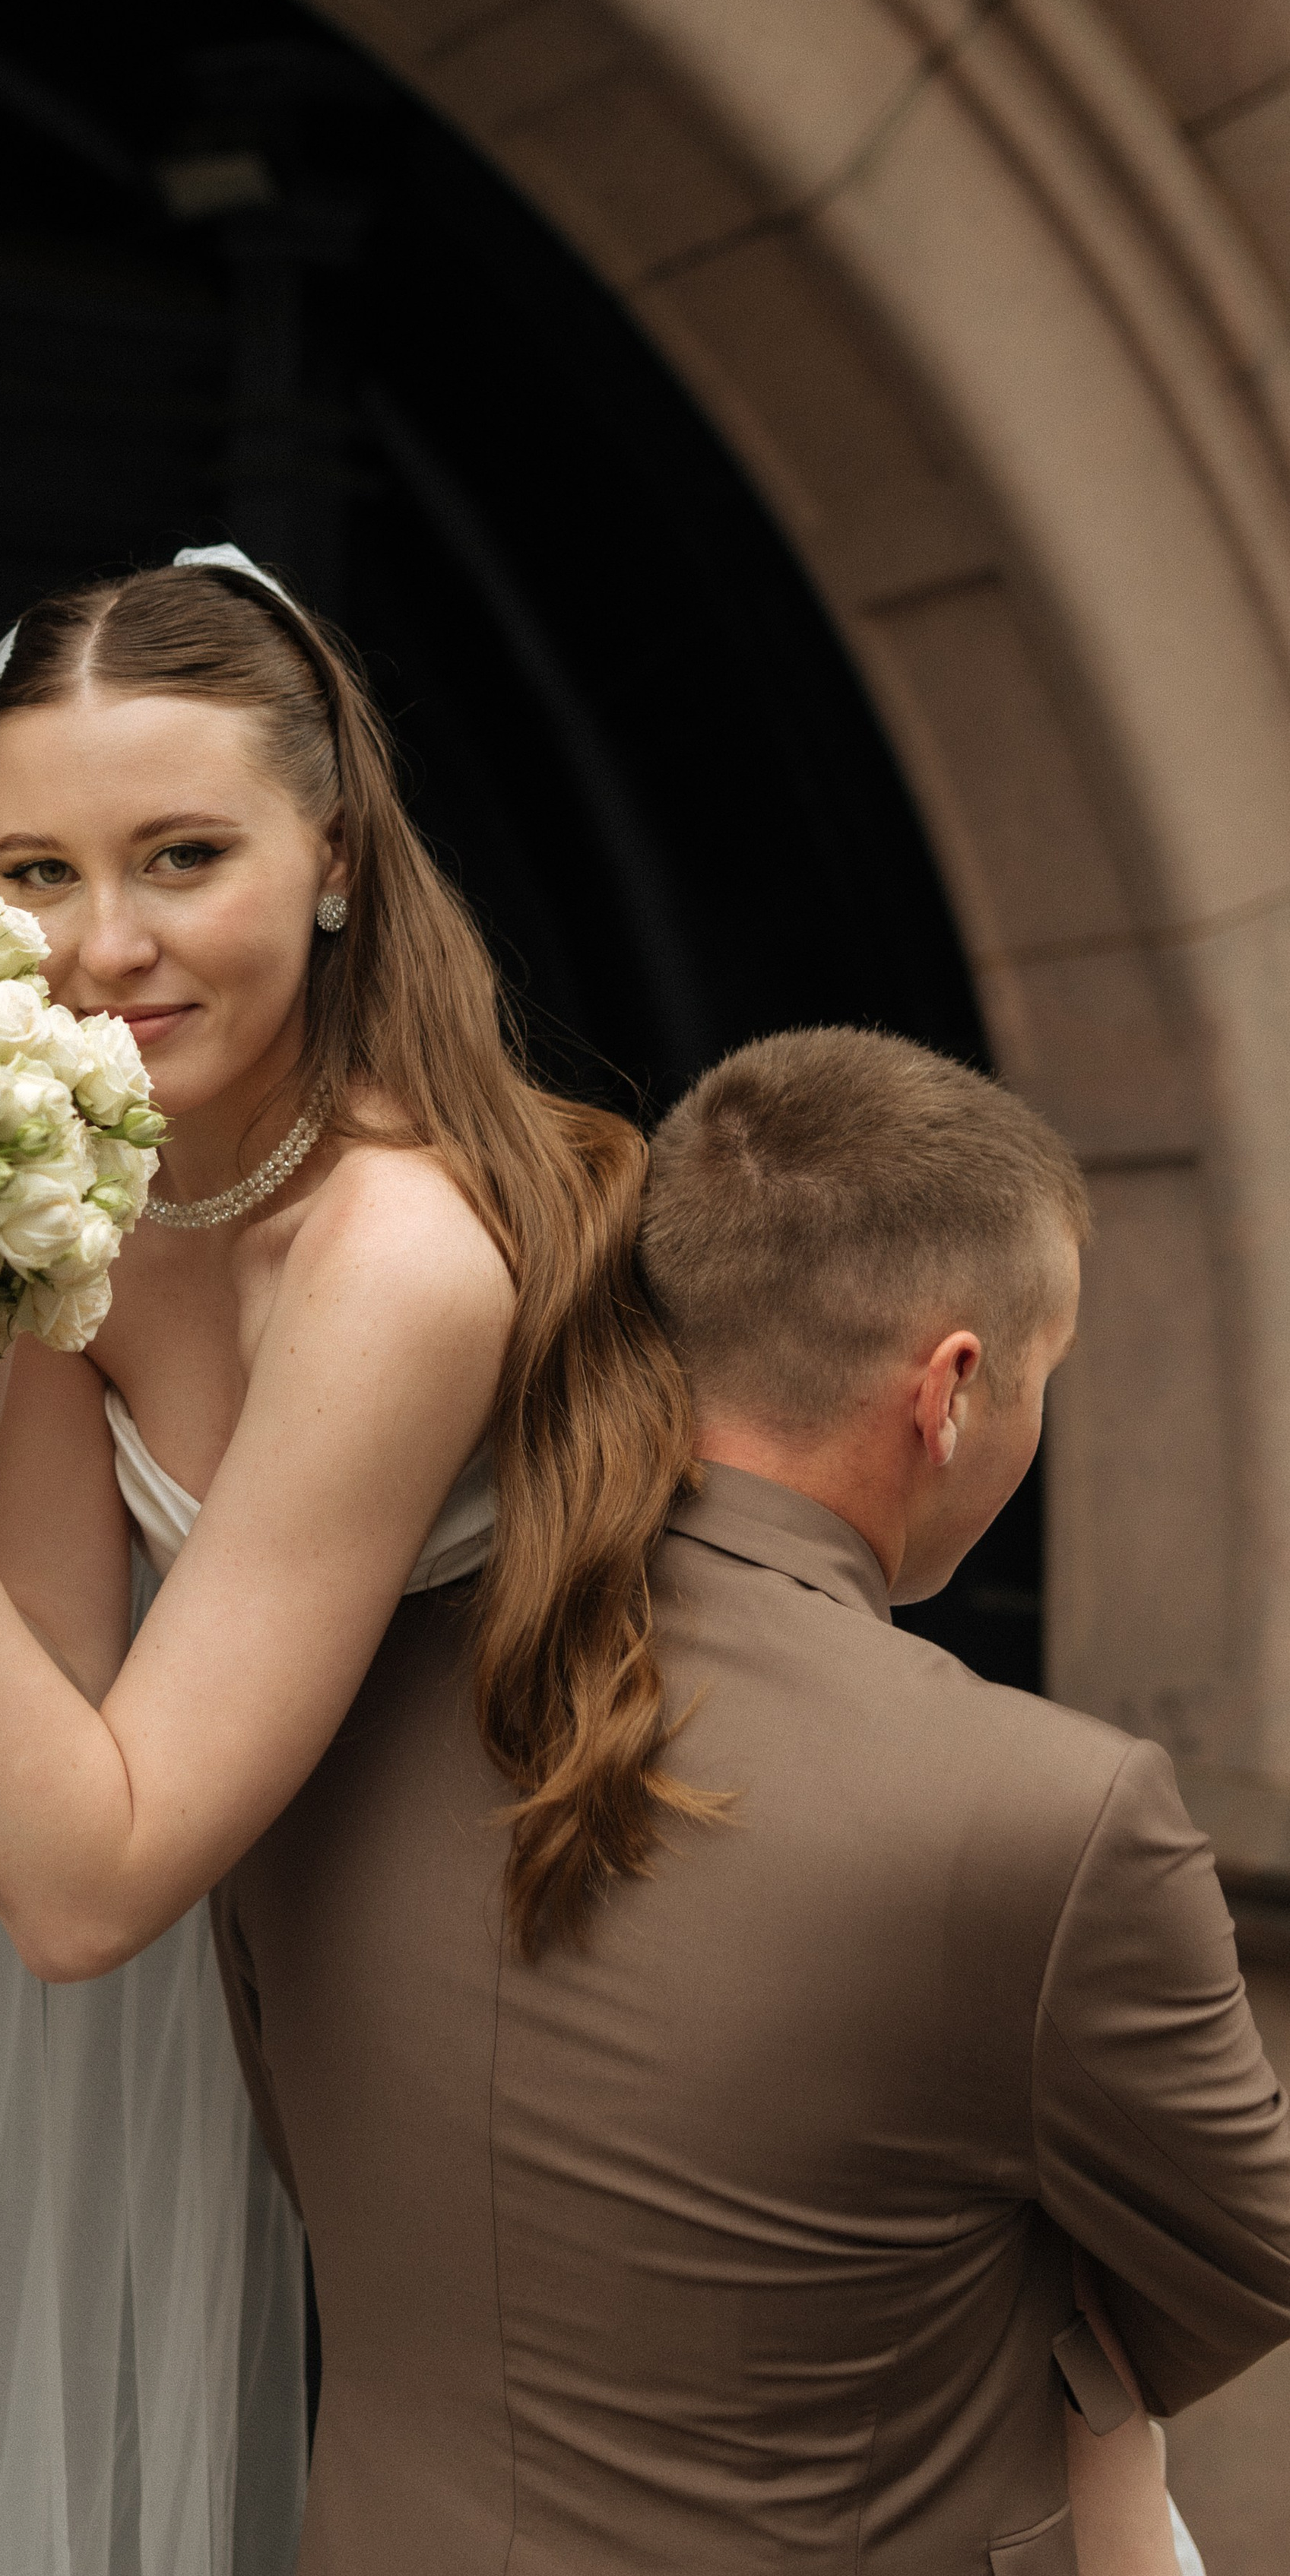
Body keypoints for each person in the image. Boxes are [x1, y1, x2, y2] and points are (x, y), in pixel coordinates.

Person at [0, 547, 694, 2575]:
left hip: (555, 2080)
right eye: (38, 871)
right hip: (298, 2051)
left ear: (336, 859)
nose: (102, 947)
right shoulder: (93, 1190)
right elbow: (37, 1734)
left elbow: (86, 1886)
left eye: (184, 856)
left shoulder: (397, 1255)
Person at [211, 1025, 1290, 2571]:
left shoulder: (305, 1692)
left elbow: (314, 2143)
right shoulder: (1056, 1811)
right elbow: (1246, 2256)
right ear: (950, 1391)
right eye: (1043, 1375)